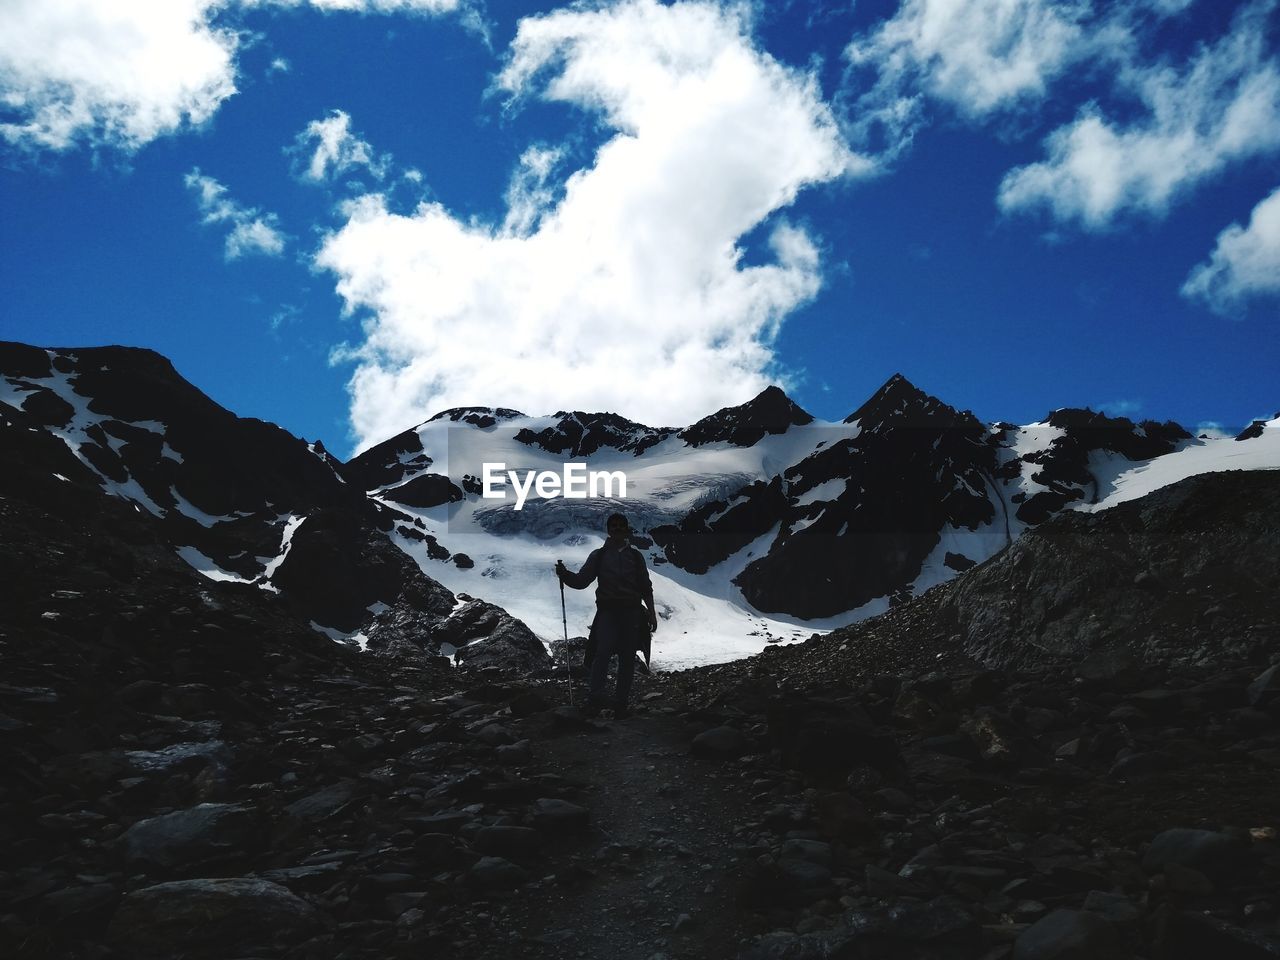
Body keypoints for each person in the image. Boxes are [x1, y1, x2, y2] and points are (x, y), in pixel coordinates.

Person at [555, 512, 658, 717]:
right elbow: (582, 580)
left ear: (626, 529)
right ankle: (597, 697)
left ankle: (619, 701)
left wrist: (652, 613)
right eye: (614, 526)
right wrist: (565, 575)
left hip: (630, 612)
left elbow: (646, 587)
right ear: (609, 530)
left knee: (625, 657)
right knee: (603, 654)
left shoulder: (635, 557)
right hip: (609, 612)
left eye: (621, 525)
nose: (617, 529)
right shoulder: (599, 556)